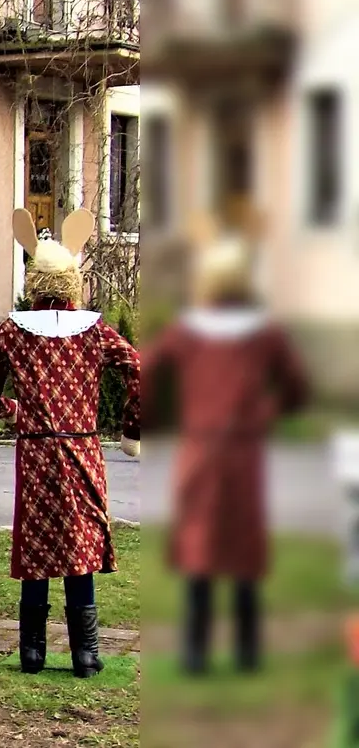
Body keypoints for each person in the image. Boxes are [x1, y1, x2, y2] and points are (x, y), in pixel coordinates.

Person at [0, 209, 140, 678]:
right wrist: (133, 427)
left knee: (38, 546)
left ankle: (32, 653)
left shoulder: (14, 330)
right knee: (80, 542)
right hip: (82, 447)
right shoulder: (95, 331)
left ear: (35, 281)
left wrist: (13, 410)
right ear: (71, 282)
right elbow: (139, 370)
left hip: (37, 450)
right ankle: (85, 656)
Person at [145, 229, 306, 674]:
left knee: (201, 545)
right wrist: (267, 411)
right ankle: (246, 649)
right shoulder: (264, 334)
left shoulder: (186, 332)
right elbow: (295, 387)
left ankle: (196, 650)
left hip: (200, 449)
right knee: (242, 548)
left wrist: (162, 420)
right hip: (244, 453)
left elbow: (149, 377)